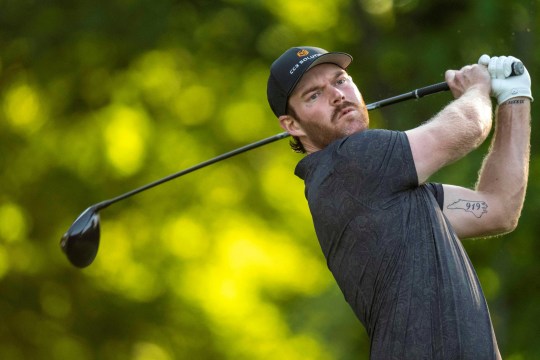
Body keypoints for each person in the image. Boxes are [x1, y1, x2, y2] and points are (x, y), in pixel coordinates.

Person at [266, 46, 532, 359]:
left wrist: (515, 97)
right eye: (313, 95)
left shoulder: (380, 186)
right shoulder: (349, 161)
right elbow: (469, 126)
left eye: (340, 81)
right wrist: (476, 88)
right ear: (292, 126)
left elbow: (499, 209)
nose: (336, 96)